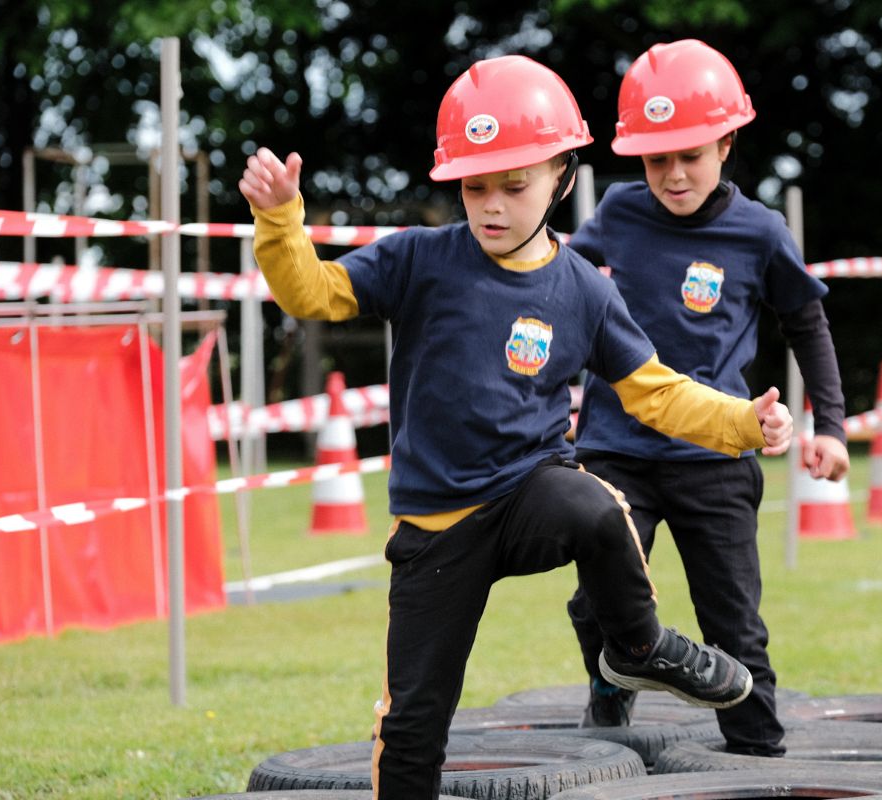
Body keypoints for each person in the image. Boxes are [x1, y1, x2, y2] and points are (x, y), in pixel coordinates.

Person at [238, 54, 794, 799]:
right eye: (475, 186)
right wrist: (280, 221)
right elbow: (312, 294)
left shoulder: (584, 291)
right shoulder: (421, 260)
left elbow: (656, 394)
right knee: (414, 722)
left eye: (514, 184)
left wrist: (745, 423)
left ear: (562, 176)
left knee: (597, 506)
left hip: (529, 493)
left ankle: (637, 648)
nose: (492, 204)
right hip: (437, 528)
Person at [564, 39, 849, 757]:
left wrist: (832, 426)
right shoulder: (619, 214)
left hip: (716, 453)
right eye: (657, 158)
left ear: (726, 143)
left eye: (690, 154)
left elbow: (806, 322)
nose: (673, 173)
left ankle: (757, 750)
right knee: (598, 595)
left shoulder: (758, 232)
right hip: (614, 446)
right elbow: (559, 286)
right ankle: (611, 682)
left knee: (733, 620)